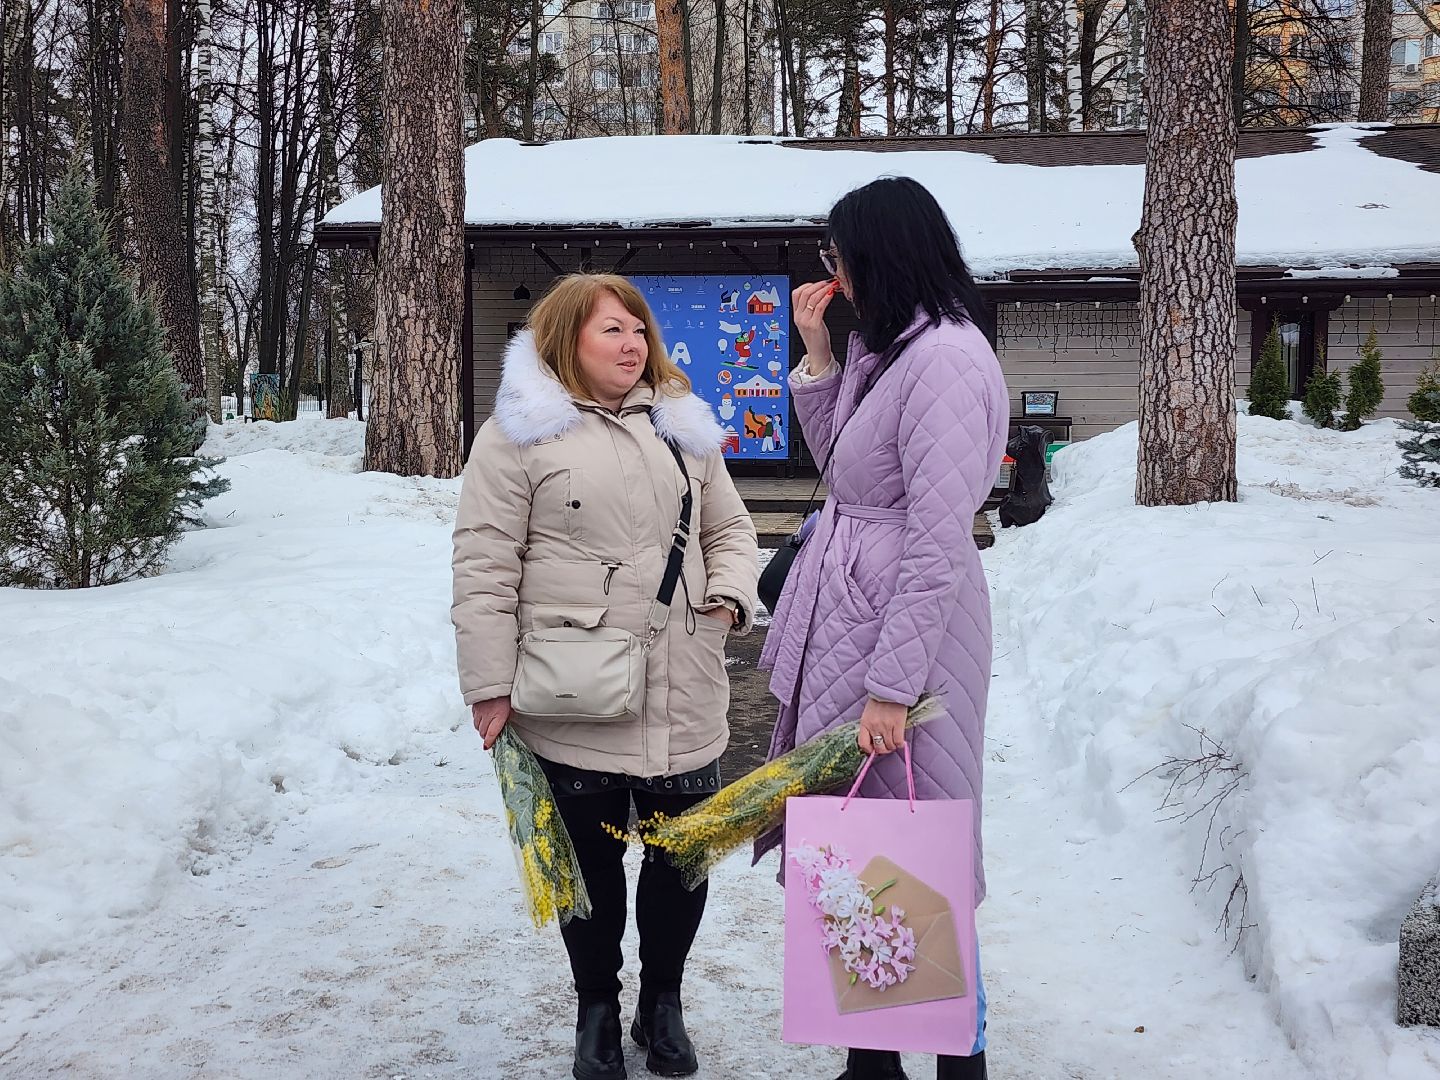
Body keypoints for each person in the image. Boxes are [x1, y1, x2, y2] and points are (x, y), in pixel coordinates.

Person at [452, 273, 759, 1080]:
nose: (631, 345)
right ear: (565, 342)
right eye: (610, 331)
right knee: (588, 866)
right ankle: (596, 1006)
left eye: (637, 330)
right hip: (573, 688)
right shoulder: (518, 435)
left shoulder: (681, 425)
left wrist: (727, 593)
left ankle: (664, 1003)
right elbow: (484, 564)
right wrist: (488, 681)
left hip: (685, 680)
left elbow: (729, 525)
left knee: (680, 856)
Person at [755, 178, 1009, 1080]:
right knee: (865, 843)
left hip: (908, 632)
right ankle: (872, 1058)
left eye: (838, 255)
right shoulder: (892, 348)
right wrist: (819, 356)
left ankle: (955, 1060)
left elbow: (938, 540)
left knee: (920, 849)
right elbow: (848, 474)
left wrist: (893, 689)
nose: (832, 272)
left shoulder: (943, 358)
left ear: (881, 252)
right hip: (862, 617)